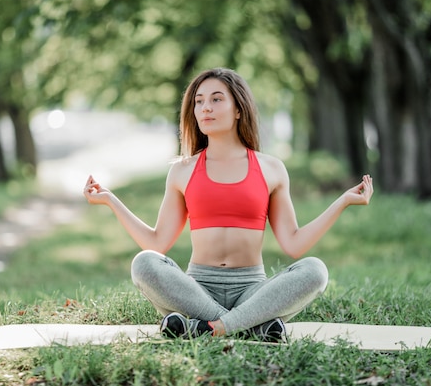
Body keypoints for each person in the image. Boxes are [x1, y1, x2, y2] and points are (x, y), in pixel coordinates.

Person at [83, 67, 373, 342]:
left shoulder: (271, 168)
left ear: (238, 109)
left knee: (316, 271)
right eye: (199, 101)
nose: (205, 107)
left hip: (252, 290)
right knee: (144, 263)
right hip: (196, 290)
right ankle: (250, 326)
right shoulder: (182, 170)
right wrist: (110, 200)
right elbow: (156, 243)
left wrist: (343, 201)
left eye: (216, 99)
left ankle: (203, 327)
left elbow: (294, 245)